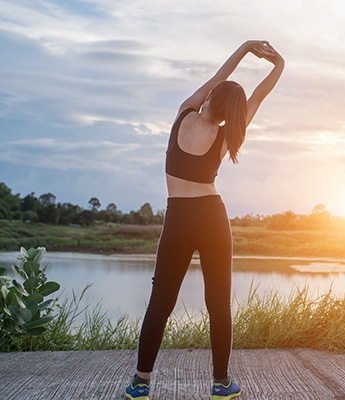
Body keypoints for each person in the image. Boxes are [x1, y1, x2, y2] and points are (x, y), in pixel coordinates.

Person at [125, 40, 285, 400]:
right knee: (218, 302)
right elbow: (256, 97)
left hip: (178, 217)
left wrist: (245, 49)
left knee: (160, 302)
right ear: (233, 113)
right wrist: (279, 66)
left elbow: (220, 76)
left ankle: (140, 383)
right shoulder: (228, 132)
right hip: (213, 217)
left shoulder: (184, 113)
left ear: (210, 96)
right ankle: (221, 383)